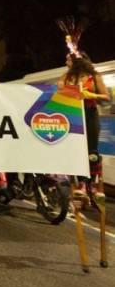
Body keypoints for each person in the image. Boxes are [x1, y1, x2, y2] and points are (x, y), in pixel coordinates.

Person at [58, 52, 109, 202]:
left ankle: (92, 183)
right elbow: (59, 89)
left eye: (69, 59)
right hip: (74, 115)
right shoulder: (67, 77)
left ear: (77, 60)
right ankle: (81, 184)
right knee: (78, 151)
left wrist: (90, 95)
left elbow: (106, 96)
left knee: (92, 151)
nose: (66, 61)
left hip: (90, 114)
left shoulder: (94, 76)